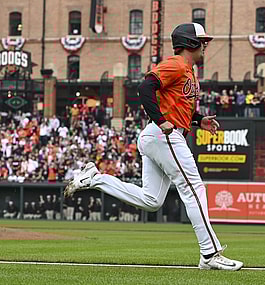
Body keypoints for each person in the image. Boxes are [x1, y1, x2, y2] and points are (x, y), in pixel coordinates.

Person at [64, 22, 243, 271]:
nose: (205, 45)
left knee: (152, 200)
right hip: (163, 134)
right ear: (189, 43)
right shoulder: (177, 64)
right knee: (194, 189)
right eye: (202, 41)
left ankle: (96, 179)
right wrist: (161, 121)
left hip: (158, 135)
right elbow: (145, 87)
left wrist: (198, 120)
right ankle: (210, 253)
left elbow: (176, 106)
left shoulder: (189, 70)